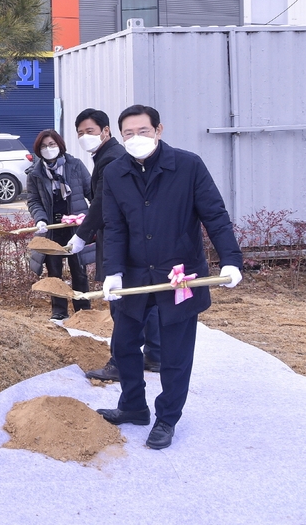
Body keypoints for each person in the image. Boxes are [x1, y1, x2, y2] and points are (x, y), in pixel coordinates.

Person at [97, 104, 243, 450]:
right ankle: (133, 406)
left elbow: (215, 215)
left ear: (159, 130)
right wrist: (113, 271)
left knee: (175, 354)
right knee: (124, 344)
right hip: (134, 274)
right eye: (128, 134)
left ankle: (167, 418)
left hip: (180, 275)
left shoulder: (188, 166)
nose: (135, 139)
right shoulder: (116, 173)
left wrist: (231, 260)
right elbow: (115, 227)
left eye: (142, 131)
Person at [68, 108, 161, 380]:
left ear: (106, 131)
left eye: (91, 131)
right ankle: (155, 355)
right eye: (81, 133)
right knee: (146, 298)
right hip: (137, 240)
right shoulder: (110, 156)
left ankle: (120, 363)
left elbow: (102, 203)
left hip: (120, 240)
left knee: (120, 302)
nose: (85, 137)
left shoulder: (112, 159)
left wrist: (82, 234)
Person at [25, 129, 93, 320]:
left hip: (75, 228)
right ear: (39, 150)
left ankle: (83, 311)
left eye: (52, 145)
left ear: (60, 146)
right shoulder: (35, 174)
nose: (49, 149)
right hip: (52, 230)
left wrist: (90, 218)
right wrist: (40, 219)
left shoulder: (75, 166)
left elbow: (92, 193)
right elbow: (34, 201)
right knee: (54, 273)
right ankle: (59, 312)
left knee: (79, 270)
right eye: (44, 146)